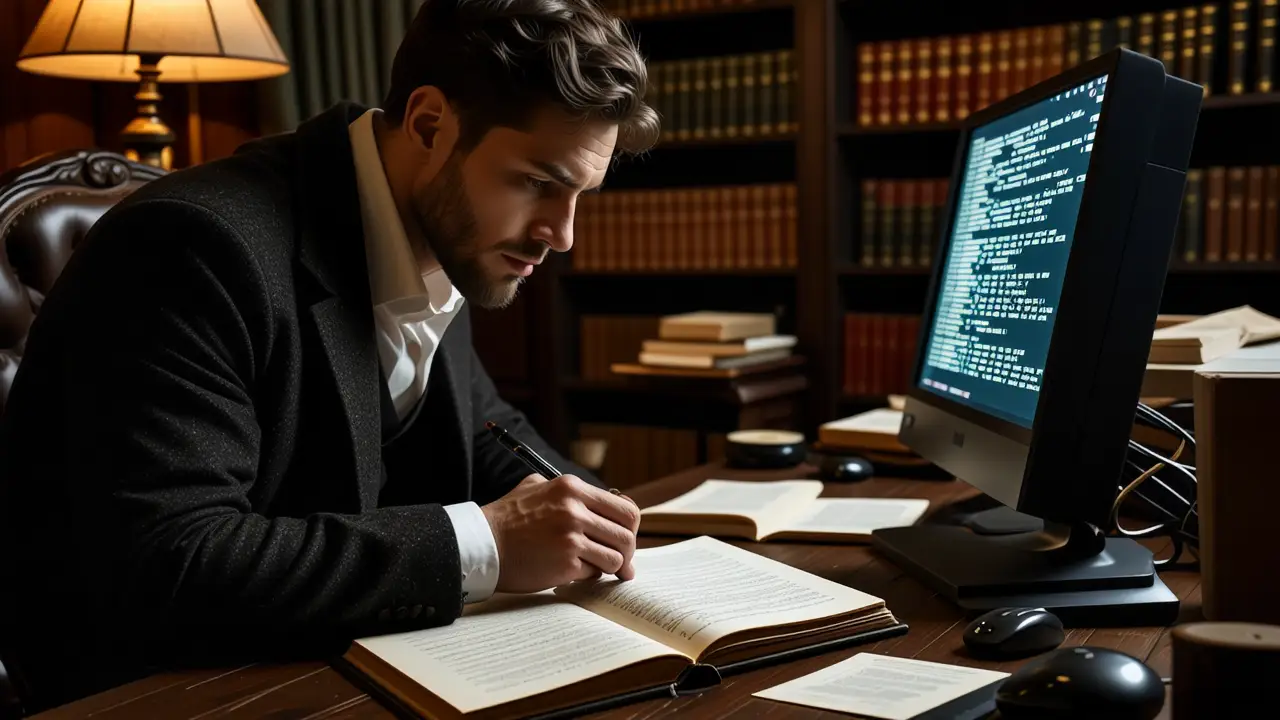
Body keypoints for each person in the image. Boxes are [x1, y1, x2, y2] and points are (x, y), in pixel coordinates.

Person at [0, 0, 659, 711]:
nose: (561, 236)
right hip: (156, 687)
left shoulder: (446, 224)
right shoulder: (190, 245)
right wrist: (491, 543)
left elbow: (478, 424)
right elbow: (172, 562)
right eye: (537, 182)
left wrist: (588, 512)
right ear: (431, 124)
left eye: (579, 195)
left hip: (332, 655)